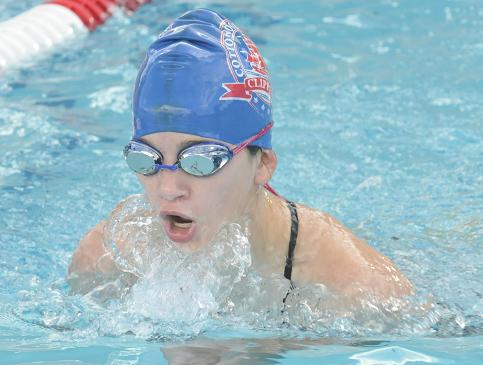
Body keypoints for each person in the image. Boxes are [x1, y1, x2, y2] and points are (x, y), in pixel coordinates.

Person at [68, 8, 413, 303]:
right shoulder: (107, 258)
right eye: (147, 159)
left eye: (201, 160)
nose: (168, 188)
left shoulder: (352, 284)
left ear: (263, 164)